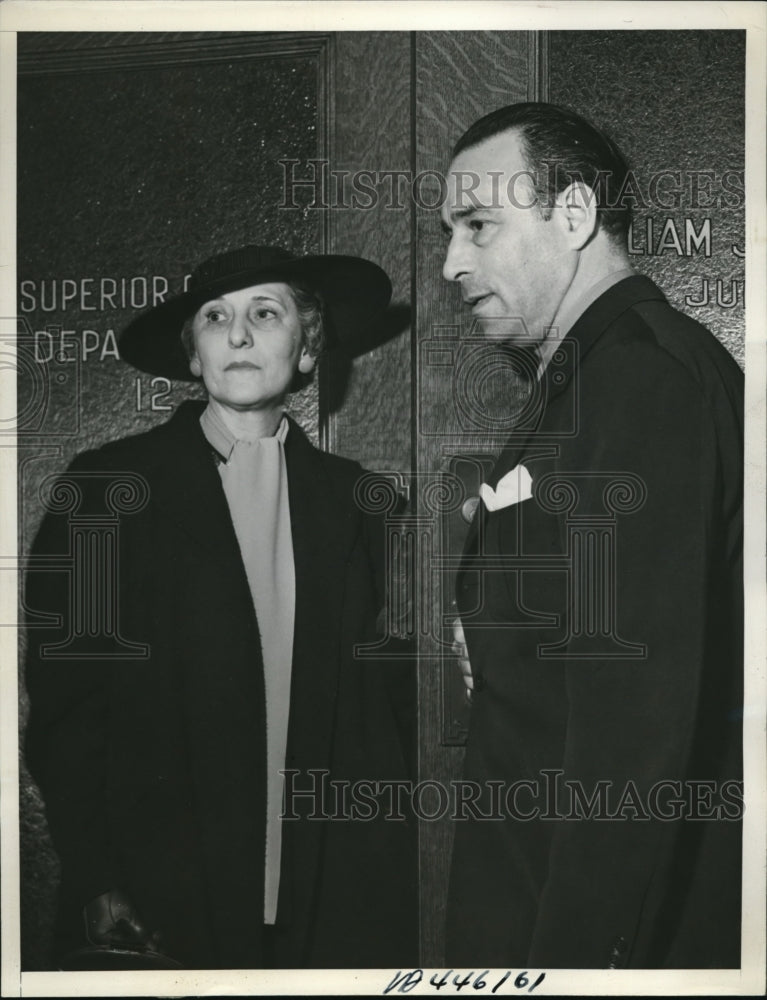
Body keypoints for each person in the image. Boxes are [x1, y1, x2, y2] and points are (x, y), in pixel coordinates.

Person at [24, 244, 416, 970]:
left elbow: (395, 709)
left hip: (333, 897)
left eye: (265, 314)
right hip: (161, 892)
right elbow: (65, 711)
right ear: (194, 357)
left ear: (306, 352)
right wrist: (98, 875)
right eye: (215, 318)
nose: (237, 334)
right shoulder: (105, 490)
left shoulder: (369, 505)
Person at [442, 104, 743, 969]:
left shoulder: (640, 379)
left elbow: (634, 719)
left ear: (572, 215)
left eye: (477, 226)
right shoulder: (594, 376)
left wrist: (583, 958)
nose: (452, 262)